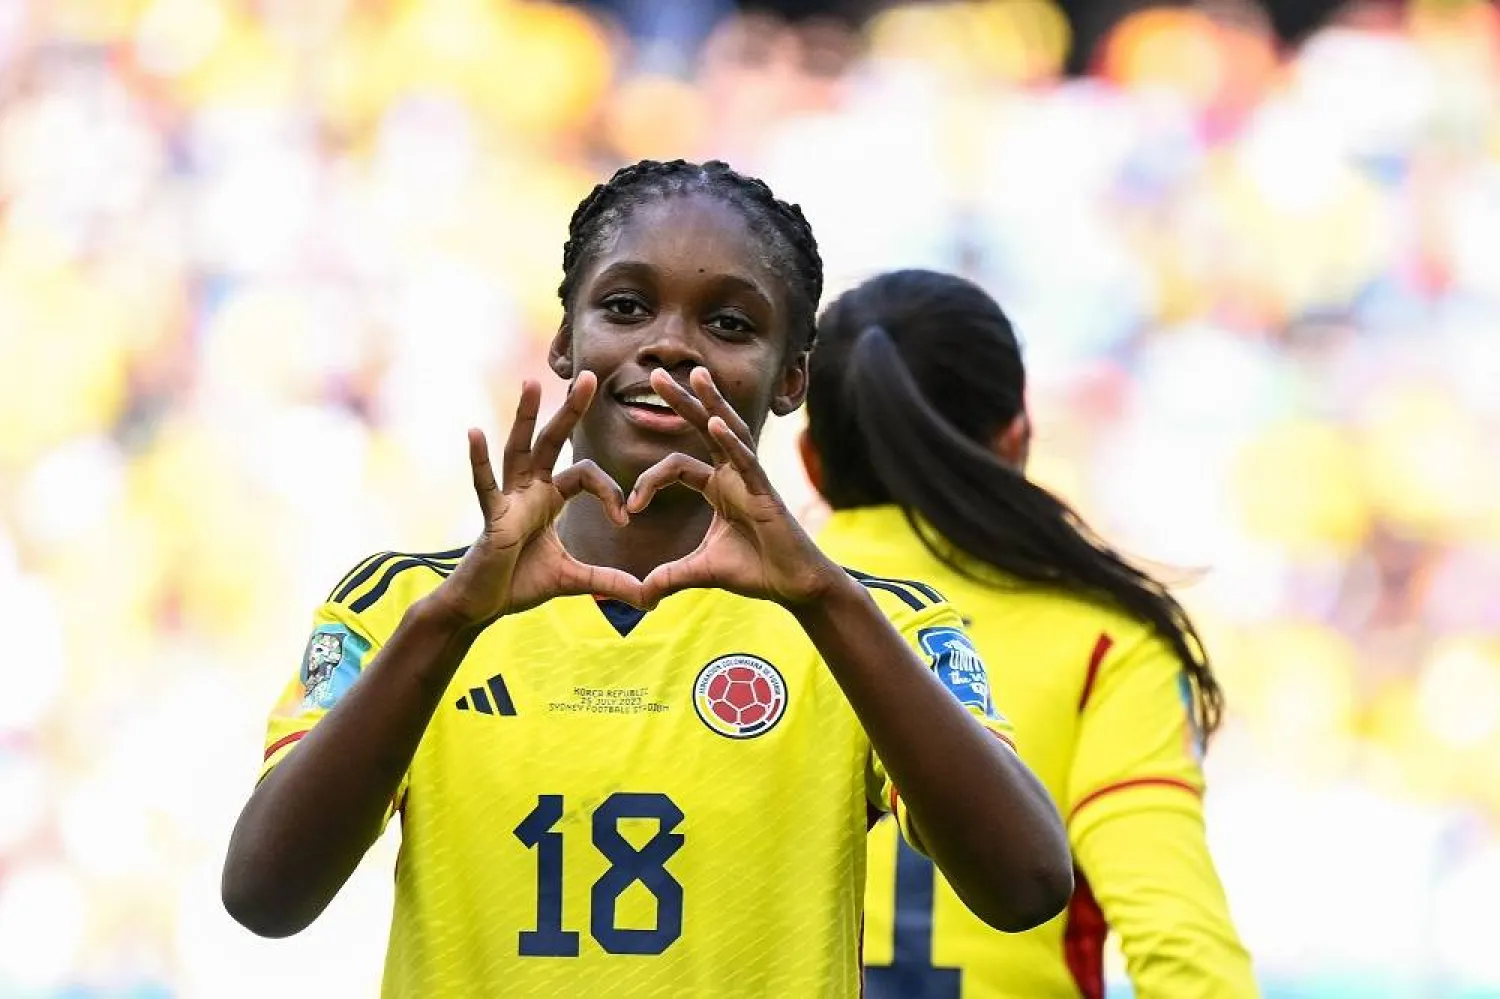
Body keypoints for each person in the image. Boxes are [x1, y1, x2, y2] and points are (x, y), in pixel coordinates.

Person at [220, 162, 1072, 998]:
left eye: (730, 324)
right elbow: (265, 896)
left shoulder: (871, 621)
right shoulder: (405, 605)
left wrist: (822, 598)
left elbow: (1026, 885)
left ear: (791, 378)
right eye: (625, 306)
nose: (667, 342)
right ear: (565, 340)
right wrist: (449, 624)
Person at [801, 269, 1258, 999]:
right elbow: (1175, 937)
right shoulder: (1107, 639)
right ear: (1016, 440)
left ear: (811, 461)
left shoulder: (729, 614)